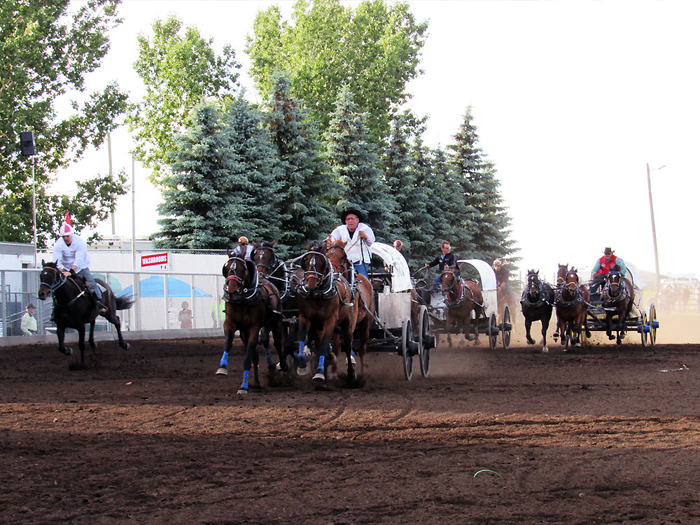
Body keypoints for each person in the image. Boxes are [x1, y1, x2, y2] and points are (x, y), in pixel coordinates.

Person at [52, 222, 107, 315]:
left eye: (67, 236)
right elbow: (57, 261)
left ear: (71, 235)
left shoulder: (79, 242)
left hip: (81, 267)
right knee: (58, 287)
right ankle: (55, 310)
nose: (65, 238)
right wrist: (61, 271)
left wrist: (71, 271)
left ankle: (99, 303)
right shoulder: (58, 244)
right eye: (63, 237)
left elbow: (79, 259)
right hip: (66, 268)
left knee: (91, 284)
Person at [328, 208, 375, 279]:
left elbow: (371, 242)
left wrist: (365, 236)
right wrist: (330, 241)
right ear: (345, 221)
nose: (350, 221)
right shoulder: (340, 229)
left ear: (357, 220)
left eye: (352, 219)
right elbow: (332, 238)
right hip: (344, 261)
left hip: (359, 262)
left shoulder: (365, 228)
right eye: (348, 219)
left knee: (362, 280)